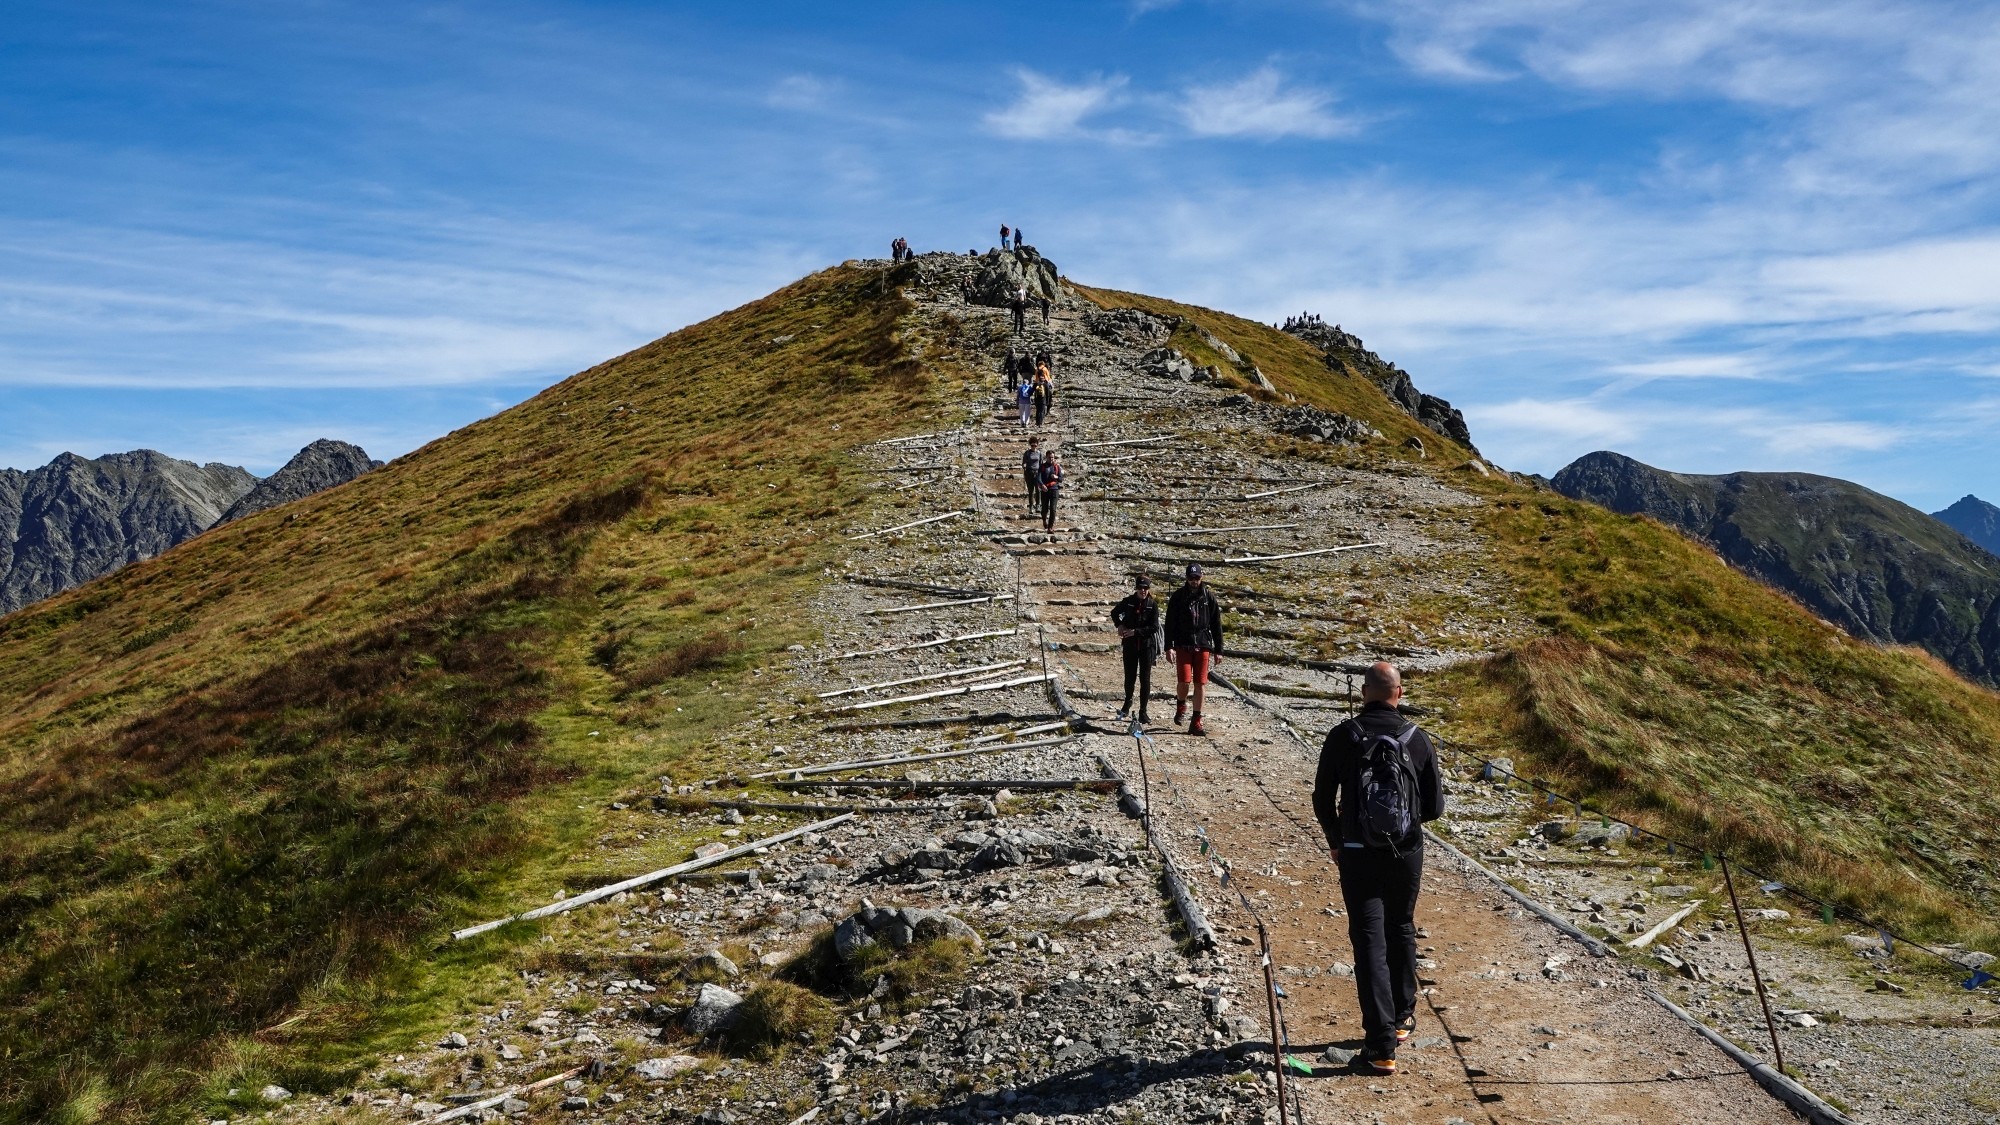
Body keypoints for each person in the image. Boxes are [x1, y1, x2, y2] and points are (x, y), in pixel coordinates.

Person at [1310, 662, 1445, 1079]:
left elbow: (1321, 796)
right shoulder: (1417, 739)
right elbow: (1435, 809)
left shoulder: (1343, 735)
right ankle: (1402, 1019)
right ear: (1399, 692)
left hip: (1356, 850)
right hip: (1407, 851)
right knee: (1401, 926)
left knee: (1368, 939)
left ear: (1365, 692)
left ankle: (1380, 1046)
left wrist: (1337, 839)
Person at [1164, 563, 1224, 735]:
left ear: (1202, 577)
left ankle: (1196, 720)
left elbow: (1216, 625)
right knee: (1184, 681)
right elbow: (1169, 624)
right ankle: (1181, 703)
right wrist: (1169, 647)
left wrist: (1219, 650)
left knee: (1200, 682)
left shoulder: (1209, 597)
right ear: (1186, 578)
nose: (1194, 581)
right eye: (1191, 578)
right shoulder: (1178, 597)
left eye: (1196, 578)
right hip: (1183, 643)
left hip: (1203, 643)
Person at [1110, 574, 1162, 724]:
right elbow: (1114, 613)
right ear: (1136, 588)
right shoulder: (1128, 602)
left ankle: (1143, 711)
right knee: (1129, 676)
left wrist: (1136, 632)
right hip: (1130, 645)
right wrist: (1119, 625)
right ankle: (1127, 702)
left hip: (1147, 646)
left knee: (1145, 679)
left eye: (1145, 588)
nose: (1143, 591)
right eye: (1140, 588)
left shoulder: (1152, 605)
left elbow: (1154, 627)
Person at [1037, 451, 1063, 532]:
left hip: (1054, 489)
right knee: (1044, 509)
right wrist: (1042, 485)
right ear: (1046, 457)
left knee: (1053, 509)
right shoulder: (1042, 466)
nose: (1051, 459)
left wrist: (1056, 477)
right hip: (1045, 490)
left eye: (1052, 457)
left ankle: (1050, 527)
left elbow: (1061, 479)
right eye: (1050, 457)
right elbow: (1038, 478)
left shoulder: (1057, 467)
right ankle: (1044, 520)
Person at [1021, 436, 1043, 510]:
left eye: (1035, 445)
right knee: (1031, 490)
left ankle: (1038, 505)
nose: (1033, 447)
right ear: (1030, 445)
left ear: (1037, 445)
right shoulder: (1027, 453)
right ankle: (1031, 506)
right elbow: (1024, 462)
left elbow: (1041, 463)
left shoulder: (1039, 453)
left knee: (1038, 490)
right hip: (1029, 473)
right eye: (1032, 445)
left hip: (1037, 473)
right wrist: (1024, 465)